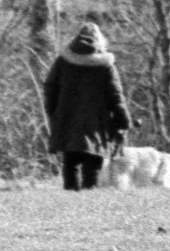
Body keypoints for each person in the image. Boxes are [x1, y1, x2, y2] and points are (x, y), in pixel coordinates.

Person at [42, 22, 131, 192]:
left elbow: (50, 88)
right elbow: (116, 96)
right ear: (100, 40)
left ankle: (69, 200)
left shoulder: (63, 61)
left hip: (67, 118)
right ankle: (88, 201)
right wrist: (123, 121)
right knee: (93, 162)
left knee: (70, 161)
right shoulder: (105, 65)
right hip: (97, 122)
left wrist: (54, 112)